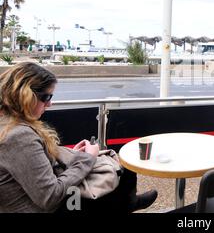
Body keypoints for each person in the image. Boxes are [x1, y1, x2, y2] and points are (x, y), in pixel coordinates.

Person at [0, 62, 157, 213]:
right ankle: (126, 204)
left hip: (31, 200)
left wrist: (66, 157)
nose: (50, 104)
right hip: (53, 207)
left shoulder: (8, 125)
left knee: (118, 172)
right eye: (47, 97)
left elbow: (28, 167)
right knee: (118, 171)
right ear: (26, 95)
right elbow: (50, 197)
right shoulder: (18, 136)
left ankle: (127, 203)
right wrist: (86, 158)